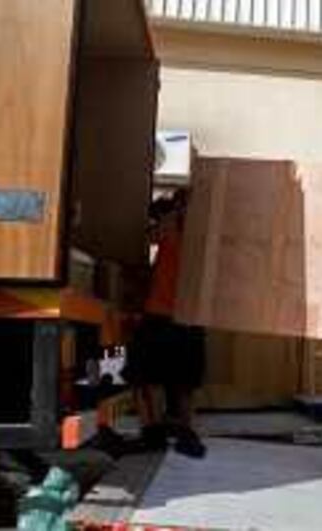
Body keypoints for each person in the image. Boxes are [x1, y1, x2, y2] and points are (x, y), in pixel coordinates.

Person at [124, 189, 206, 458]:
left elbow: (149, 238)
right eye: (183, 204)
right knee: (154, 377)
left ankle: (182, 432)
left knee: (183, 380)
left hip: (183, 314)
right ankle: (159, 432)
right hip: (164, 313)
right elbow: (148, 239)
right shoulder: (174, 227)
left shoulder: (200, 232)